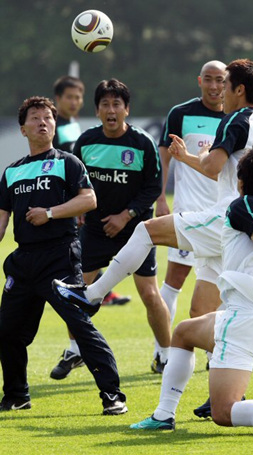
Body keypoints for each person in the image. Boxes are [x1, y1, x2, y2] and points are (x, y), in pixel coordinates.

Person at [52, 59, 253, 392]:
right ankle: (195, 400)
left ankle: (91, 296)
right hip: (241, 223)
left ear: (239, 89)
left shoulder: (234, 120)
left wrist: (184, 157)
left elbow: (213, 167)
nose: (219, 91)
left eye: (225, 85)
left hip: (227, 218)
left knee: (146, 230)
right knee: (197, 318)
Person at [128, 143, 253, 432]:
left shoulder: (243, 205)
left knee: (224, 412)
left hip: (246, 319)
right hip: (251, 316)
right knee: (183, 332)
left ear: (239, 180)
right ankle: (163, 415)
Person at [0, 96, 127, 415]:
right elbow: (1, 222)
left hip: (60, 256)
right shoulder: (11, 172)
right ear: (22, 129)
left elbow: (89, 200)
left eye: (47, 117)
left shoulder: (67, 162)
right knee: (7, 332)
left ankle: (113, 395)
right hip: (23, 261)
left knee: (79, 324)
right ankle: (16, 395)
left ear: (54, 126)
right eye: (35, 118)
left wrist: (51, 213)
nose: (42, 121)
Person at [51, 78, 171, 378]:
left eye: (117, 104)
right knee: (76, 289)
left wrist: (125, 216)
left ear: (126, 109)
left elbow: (152, 188)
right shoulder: (87, 142)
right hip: (94, 230)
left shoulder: (142, 143)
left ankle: (166, 355)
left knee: (149, 293)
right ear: (98, 110)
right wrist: (76, 208)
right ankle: (75, 349)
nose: (111, 109)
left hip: (136, 232)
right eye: (105, 104)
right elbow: (73, 182)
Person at [50, 76, 130, 381]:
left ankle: (100, 292)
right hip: (69, 212)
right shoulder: (55, 127)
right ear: (58, 98)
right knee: (71, 277)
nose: (74, 102)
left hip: (83, 210)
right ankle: (77, 342)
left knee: (78, 276)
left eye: (78, 97)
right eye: (69, 97)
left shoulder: (73, 127)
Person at [152, 60, 226, 374]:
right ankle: (163, 351)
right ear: (199, 81)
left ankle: (215, 351)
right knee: (174, 281)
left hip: (221, 218)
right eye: (208, 80)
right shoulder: (180, 113)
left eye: (219, 81)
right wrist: (160, 198)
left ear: (227, 83)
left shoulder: (234, 119)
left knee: (221, 286)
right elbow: (164, 157)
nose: (213, 86)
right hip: (187, 213)